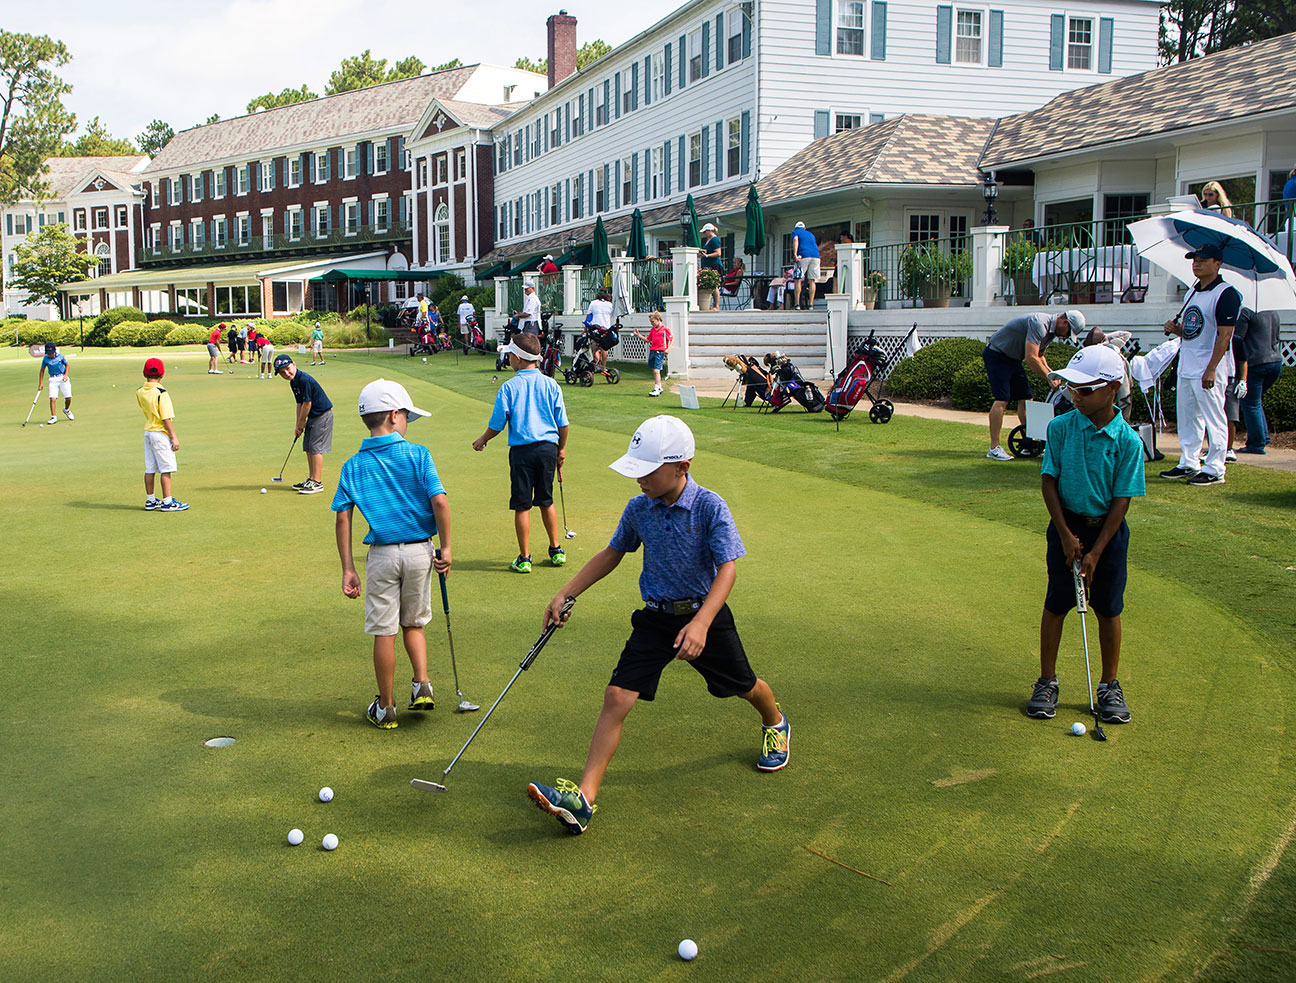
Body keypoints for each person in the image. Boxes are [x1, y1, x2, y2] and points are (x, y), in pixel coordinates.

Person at [526, 415, 789, 836]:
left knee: (742, 685)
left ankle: (775, 722)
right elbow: (613, 553)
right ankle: (585, 799)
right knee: (617, 695)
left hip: (706, 615)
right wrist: (566, 592)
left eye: (647, 471)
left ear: (682, 466)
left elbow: (727, 570)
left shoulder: (710, 506)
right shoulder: (639, 508)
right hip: (656, 618)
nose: (639, 480)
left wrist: (702, 624)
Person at [1025, 346, 1144, 725]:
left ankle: (1109, 685)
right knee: (1057, 601)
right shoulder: (1060, 428)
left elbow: (1122, 500)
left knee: (1108, 607)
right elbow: (1049, 480)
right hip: (1065, 525)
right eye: (1072, 388)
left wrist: (1094, 552)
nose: (1075, 395)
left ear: (1112, 389)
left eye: (1085, 390)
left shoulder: (1128, 441)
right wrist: (1064, 535)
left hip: (1107, 534)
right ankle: (1047, 681)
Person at [332, 378, 451, 729]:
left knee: (384, 631)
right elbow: (440, 501)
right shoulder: (418, 454)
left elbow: (343, 516)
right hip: (420, 552)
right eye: (406, 417)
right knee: (414, 622)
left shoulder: (352, 465)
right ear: (395, 416)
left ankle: (386, 707)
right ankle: (422, 683)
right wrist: (447, 546)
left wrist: (347, 568)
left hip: (382, 555)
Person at [471, 333, 569, 573]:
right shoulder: (550, 384)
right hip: (548, 448)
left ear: (516, 358)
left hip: (522, 452)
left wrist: (483, 439)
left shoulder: (509, 387)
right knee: (546, 500)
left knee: (522, 505)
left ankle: (525, 558)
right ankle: (556, 549)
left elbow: (497, 424)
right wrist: (562, 448)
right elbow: (563, 423)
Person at [1159, 244, 1239, 486]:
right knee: (1187, 417)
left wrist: (1212, 368)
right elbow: (1193, 331)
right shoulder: (1192, 291)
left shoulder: (1226, 294)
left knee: (1214, 417)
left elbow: (1225, 336)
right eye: (1194, 259)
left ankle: (1215, 467)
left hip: (1209, 365)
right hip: (1188, 363)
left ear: (1217, 264)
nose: (1196, 263)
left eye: (1203, 260)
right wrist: (1177, 329)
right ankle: (1189, 461)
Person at [981, 310, 1083, 460]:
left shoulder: (1050, 333)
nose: (1066, 336)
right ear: (1065, 323)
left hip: (1013, 359)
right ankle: (994, 448)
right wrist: (1049, 377)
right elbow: (1030, 357)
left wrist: (1053, 375)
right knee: (1002, 399)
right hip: (997, 355)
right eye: (1069, 332)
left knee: (1027, 398)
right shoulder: (1039, 323)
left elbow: (1040, 356)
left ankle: (1029, 443)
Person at [273, 354, 333, 495]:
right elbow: (299, 403)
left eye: (288, 369)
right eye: (282, 372)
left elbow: (307, 403)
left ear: (294, 364)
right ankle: (311, 479)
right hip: (312, 416)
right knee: (308, 447)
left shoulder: (303, 379)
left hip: (322, 415)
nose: (287, 373)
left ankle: (317, 482)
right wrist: (297, 425)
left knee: (315, 448)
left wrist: (301, 422)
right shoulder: (294, 382)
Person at [136, 357, 188, 512]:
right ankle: (167, 501)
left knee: (150, 468)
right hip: (160, 433)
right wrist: (173, 437)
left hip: (148, 432)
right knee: (166, 469)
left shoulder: (140, 391)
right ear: (162, 374)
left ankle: (150, 500)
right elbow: (166, 418)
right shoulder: (161, 393)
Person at [1235, 307, 1283, 454]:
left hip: (1255, 362)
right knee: (1255, 401)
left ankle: (1256, 443)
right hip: (1275, 361)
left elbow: (1237, 338)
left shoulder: (1246, 312)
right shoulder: (1274, 311)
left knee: (1249, 403)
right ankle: (1263, 437)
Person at [632, 311, 672, 397]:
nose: (651, 324)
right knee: (654, 370)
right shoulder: (653, 330)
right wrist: (638, 335)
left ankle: (656, 388)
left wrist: (668, 349)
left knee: (656, 370)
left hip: (659, 352)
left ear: (658, 319)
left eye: (652, 322)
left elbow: (671, 339)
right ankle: (660, 387)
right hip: (653, 351)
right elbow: (648, 340)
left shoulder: (665, 329)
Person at [38, 342, 74, 425]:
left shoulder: (60, 356)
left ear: (55, 351)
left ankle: (66, 410)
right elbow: (42, 370)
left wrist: (65, 375)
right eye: (48, 353)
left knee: (68, 397)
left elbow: (67, 365)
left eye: (51, 353)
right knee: (52, 398)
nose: (50, 355)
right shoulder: (45, 359)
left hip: (62, 378)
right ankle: (53, 416)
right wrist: (40, 383)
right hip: (53, 379)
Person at [791, 220, 821, 309]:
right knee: (812, 280)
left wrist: (795, 254)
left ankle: (797, 304)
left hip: (803, 255)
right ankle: (811, 304)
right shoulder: (811, 234)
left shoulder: (795, 232)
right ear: (804, 228)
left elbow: (795, 240)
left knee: (798, 279)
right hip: (816, 256)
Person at [584, 290, 614, 369]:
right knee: (605, 348)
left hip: (595, 328)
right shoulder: (610, 304)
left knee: (595, 348)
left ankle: (596, 365)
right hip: (606, 329)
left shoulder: (593, 303)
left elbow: (588, 317)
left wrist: (584, 329)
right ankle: (604, 366)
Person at [698, 222, 723, 311]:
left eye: (705, 232)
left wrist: (707, 256)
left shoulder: (715, 240)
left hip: (714, 265)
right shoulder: (708, 240)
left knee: (714, 285)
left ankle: (716, 305)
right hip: (708, 265)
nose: (704, 234)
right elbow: (707, 251)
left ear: (709, 231)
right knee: (710, 286)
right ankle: (710, 305)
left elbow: (718, 253)